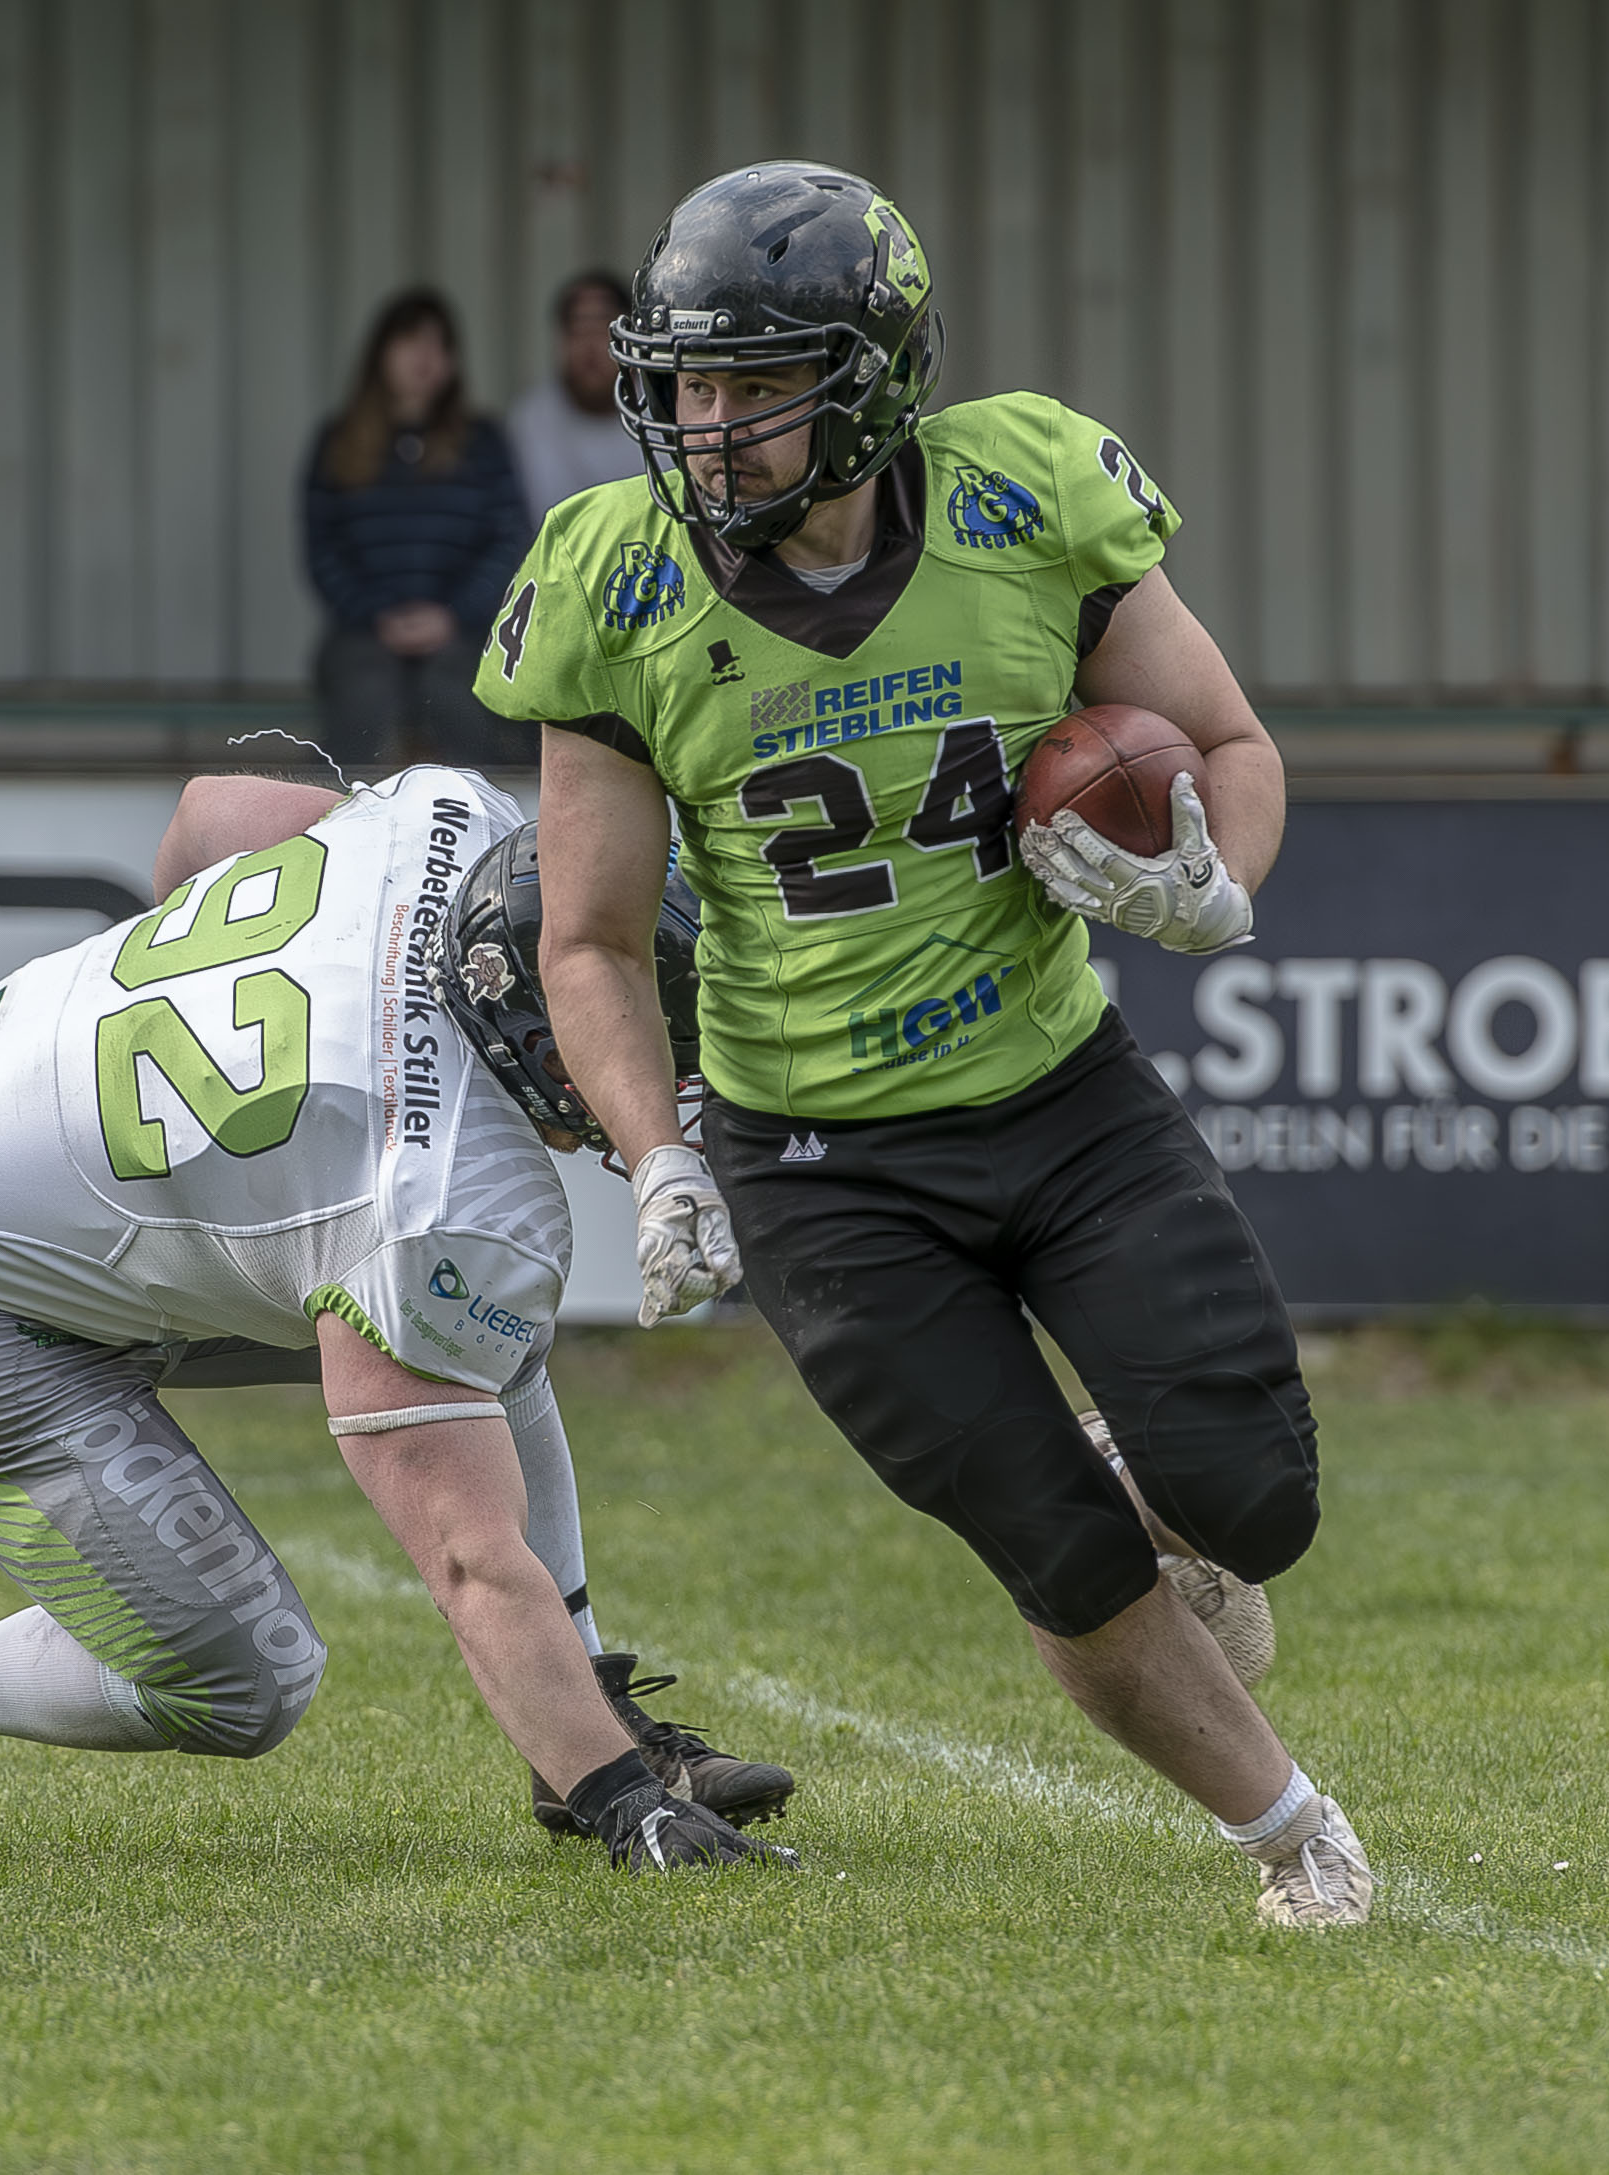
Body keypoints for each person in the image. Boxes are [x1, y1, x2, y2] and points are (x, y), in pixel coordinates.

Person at [487, 164, 1374, 1926]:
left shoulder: (1025, 489)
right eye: (686, 380)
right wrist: (657, 1154)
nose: (707, 422)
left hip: (1059, 1100)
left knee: (1252, 1497)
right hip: (818, 1160)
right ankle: (1293, 1841)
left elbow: (1228, 742)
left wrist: (1211, 885)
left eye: (756, 380)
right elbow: (583, 937)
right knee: (1048, 1542)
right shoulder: (615, 573)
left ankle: (1163, 1489)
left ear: (877, 376)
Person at [0, 764, 796, 1872]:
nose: (662, 1072)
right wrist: (622, 1812)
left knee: (484, 1330)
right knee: (247, 1678)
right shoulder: (433, 1187)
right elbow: (464, 1556)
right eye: (638, 1034)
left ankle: (589, 1715)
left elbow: (207, 811)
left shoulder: (441, 820)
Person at [301, 290, 532, 771]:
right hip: (363, 631)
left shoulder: (482, 444)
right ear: (381, 353)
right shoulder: (337, 444)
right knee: (364, 691)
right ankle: (351, 817)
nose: (424, 358)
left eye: (439, 344)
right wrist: (377, 615)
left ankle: (474, 817)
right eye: (410, 341)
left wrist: (452, 615)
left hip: (463, 629)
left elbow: (509, 540)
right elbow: (323, 549)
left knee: (461, 690)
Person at [505, 270, 641, 526]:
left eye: (603, 327)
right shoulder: (528, 423)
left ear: (631, 337)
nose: (589, 345)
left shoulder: (667, 413)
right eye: (577, 329)